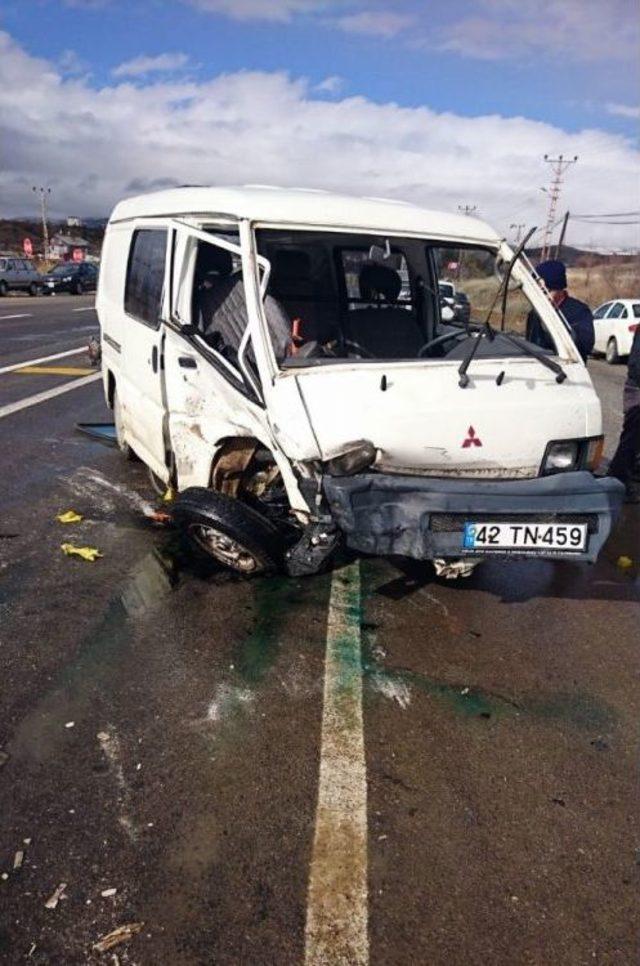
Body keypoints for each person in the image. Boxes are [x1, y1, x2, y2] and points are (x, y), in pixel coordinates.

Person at [526, 259, 595, 362]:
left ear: (560, 289)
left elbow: (585, 346)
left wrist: (551, 326)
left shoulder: (579, 311)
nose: (543, 296)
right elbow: (530, 345)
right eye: (539, 291)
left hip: (568, 372)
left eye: (546, 291)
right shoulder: (534, 314)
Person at [607, 327, 640, 503]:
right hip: (637, 389)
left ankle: (631, 474)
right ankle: (618, 480)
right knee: (632, 438)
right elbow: (636, 365)